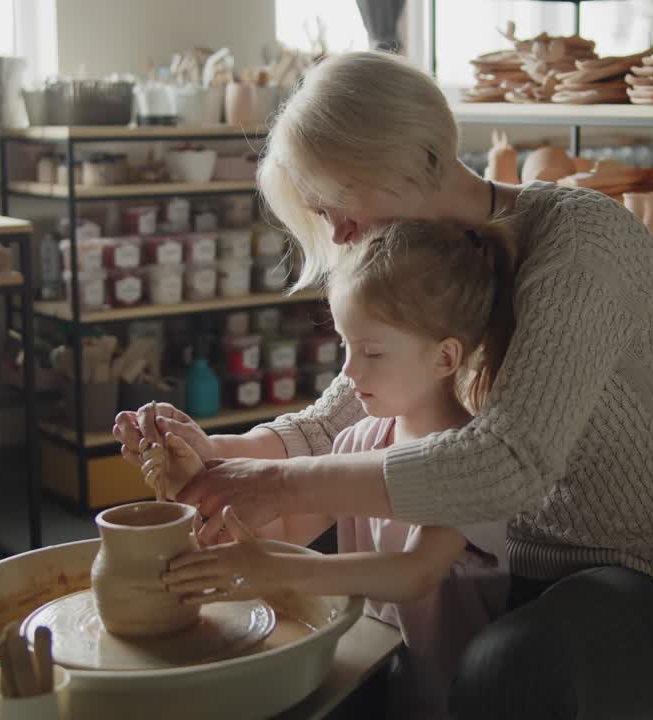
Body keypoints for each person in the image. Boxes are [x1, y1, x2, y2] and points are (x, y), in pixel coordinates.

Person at [114, 50, 653, 718]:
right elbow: (336, 423)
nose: (340, 235)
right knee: (321, 648)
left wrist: (267, 485)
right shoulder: (420, 270)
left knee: (510, 670)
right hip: (504, 567)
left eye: (341, 205)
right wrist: (213, 455)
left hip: (647, 578)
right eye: (323, 217)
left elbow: (509, 464)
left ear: (416, 163)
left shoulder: (579, 243)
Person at [160, 219, 516, 718]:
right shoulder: (359, 441)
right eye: (346, 345)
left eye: (371, 352)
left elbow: (412, 574)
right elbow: (289, 528)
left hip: (453, 695)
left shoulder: (466, 461)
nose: (348, 370)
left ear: (445, 357)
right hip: (377, 670)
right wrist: (195, 481)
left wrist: (276, 570)